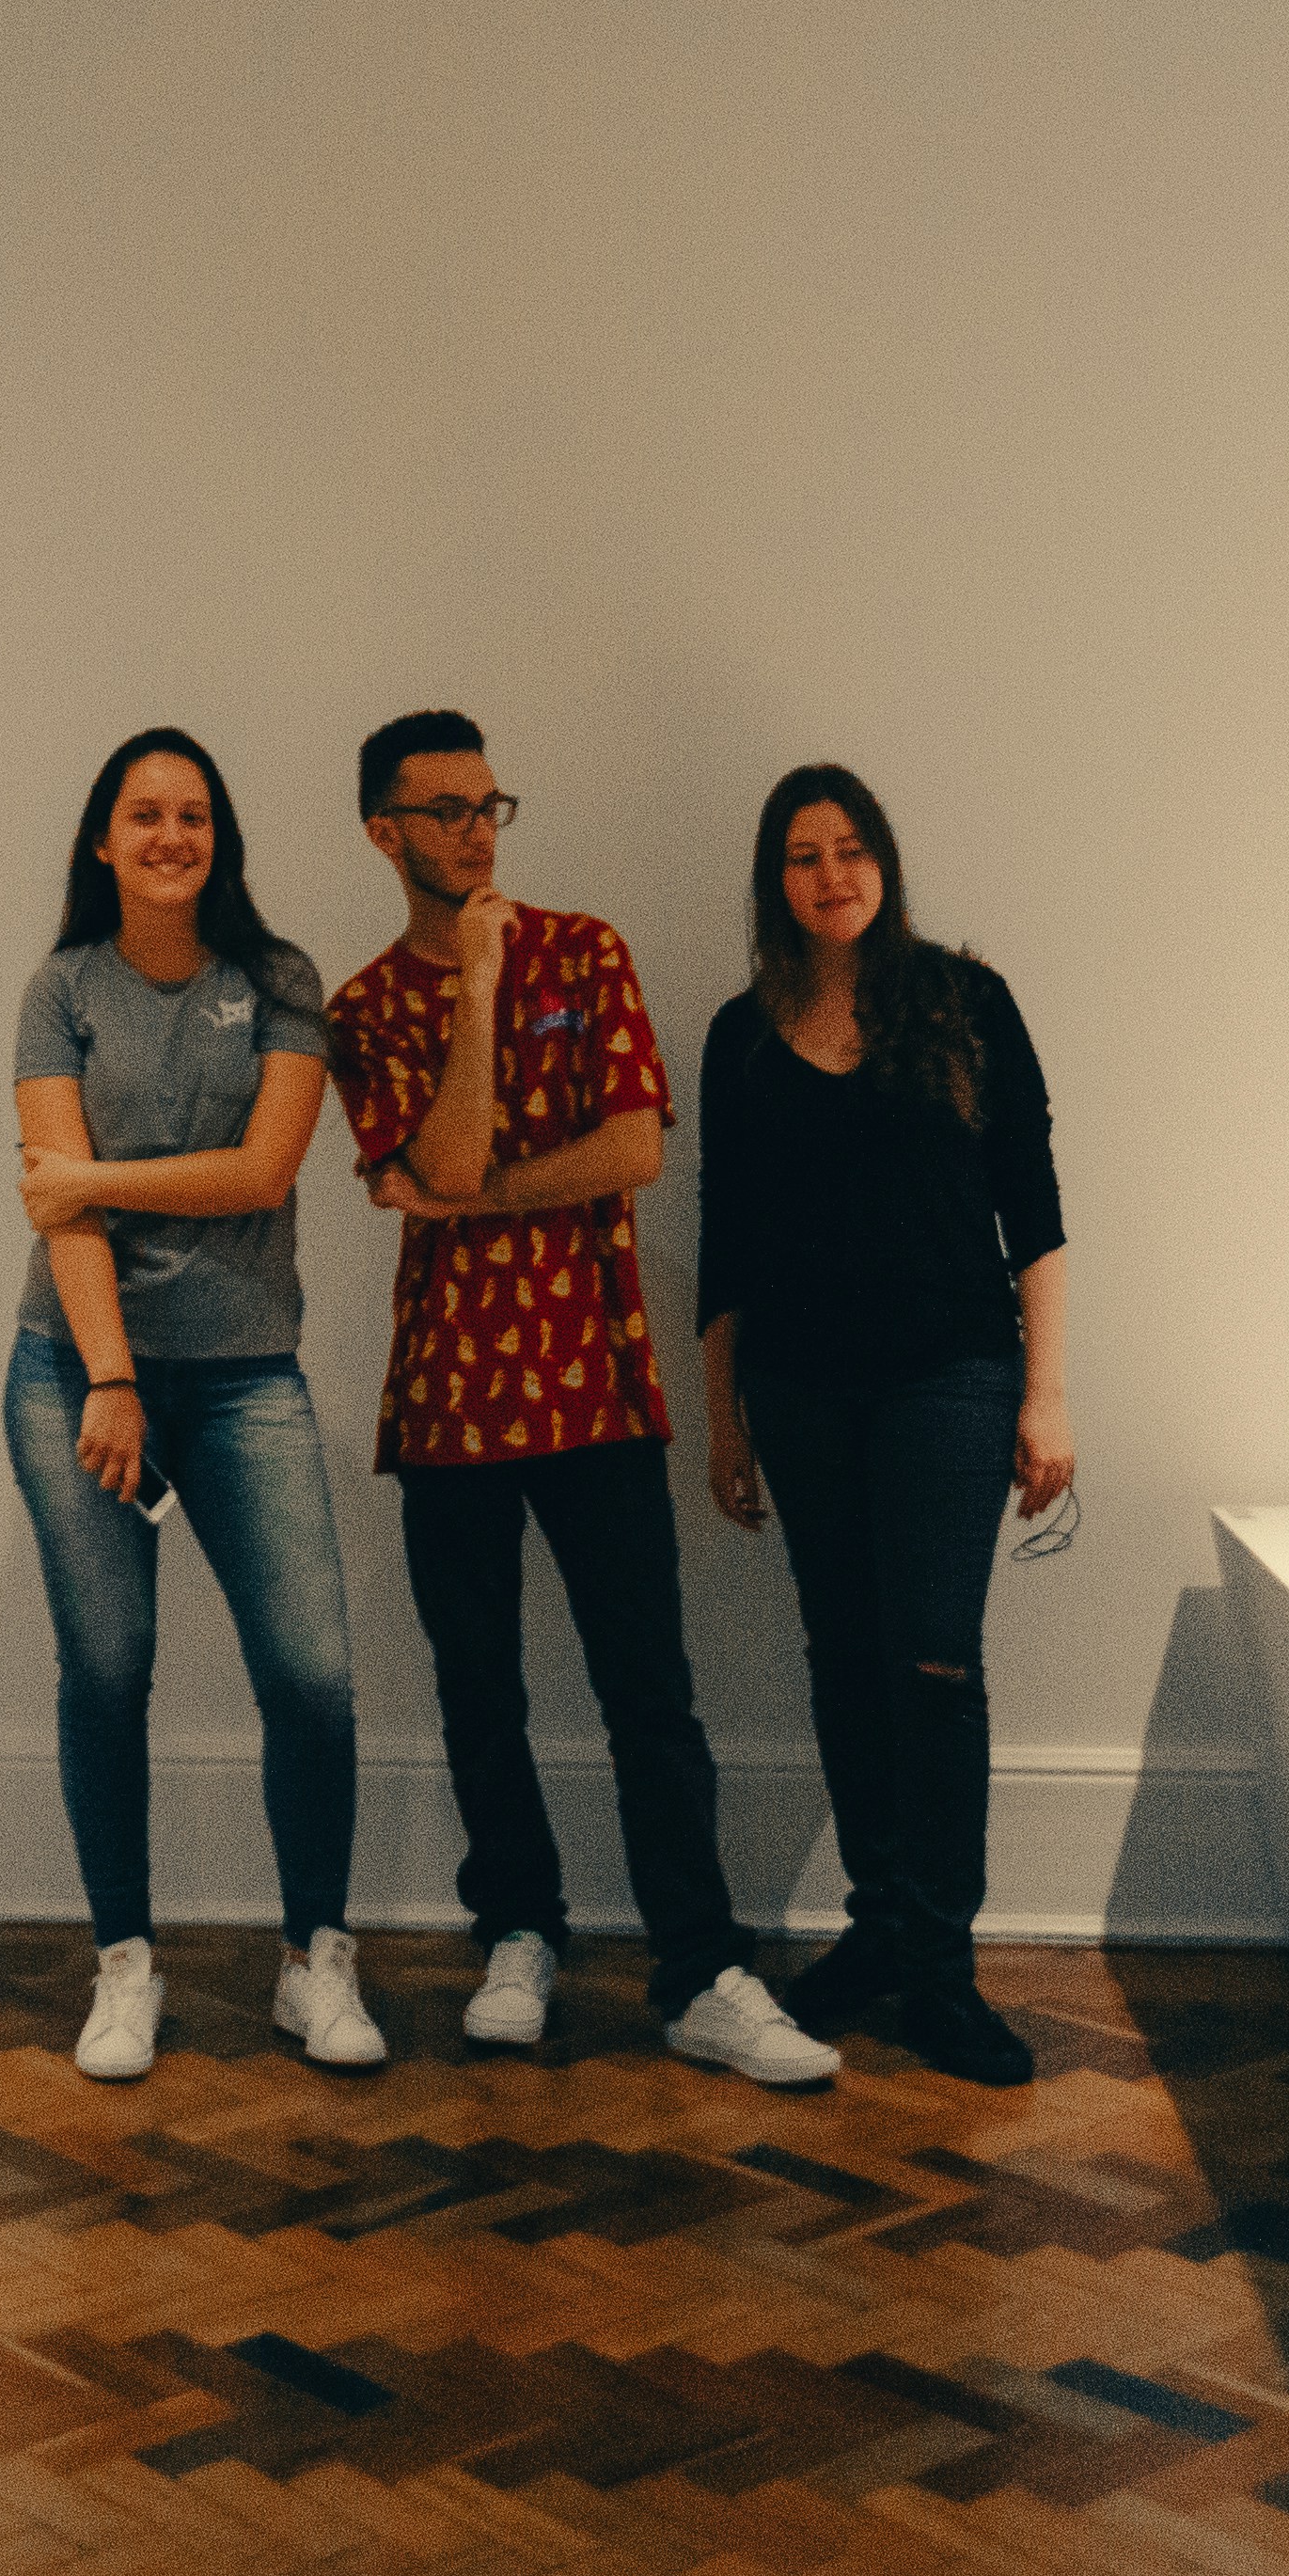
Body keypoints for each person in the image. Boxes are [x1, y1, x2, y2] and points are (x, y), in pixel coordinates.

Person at [326, 711, 835, 2087]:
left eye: (492, 803)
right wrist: (478, 997)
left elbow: (630, 1150)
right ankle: (519, 1933)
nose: (478, 829)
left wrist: (463, 1196)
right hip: (449, 1399)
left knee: (649, 1693)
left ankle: (702, 1969)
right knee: (477, 1688)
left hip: (595, 1383)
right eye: (445, 810)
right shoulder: (366, 1008)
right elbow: (423, 1152)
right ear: (386, 832)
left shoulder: (589, 950)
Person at [5, 727, 378, 2078]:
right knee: (107, 1674)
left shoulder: (279, 982)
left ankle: (315, 1962)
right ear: (103, 841)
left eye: (195, 816)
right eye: (145, 815)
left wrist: (95, 1177)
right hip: (78, 1368)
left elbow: (266, 1171)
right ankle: (124, 1968)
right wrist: (110, 1376)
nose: (173, 837)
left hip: (242, 1378)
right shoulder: (61, 991)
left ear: (220, 840)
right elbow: (61, 1222)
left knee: (315, 1680)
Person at [695, 764, 1075, 2086]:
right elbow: (723, 1245)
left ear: (886, 863)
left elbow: (1033, 1201)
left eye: (851, 848)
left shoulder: (967, 1001)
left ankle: (943, 1967)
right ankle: (878, 1927)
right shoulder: (741, 1034)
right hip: (798, 1387)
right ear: (775, 882)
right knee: (843, 1657)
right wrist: (723, 1426)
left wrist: (1048, 1391)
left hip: (949, 1380)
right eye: (803, 855)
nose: (832, 874)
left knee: (933, 1662)